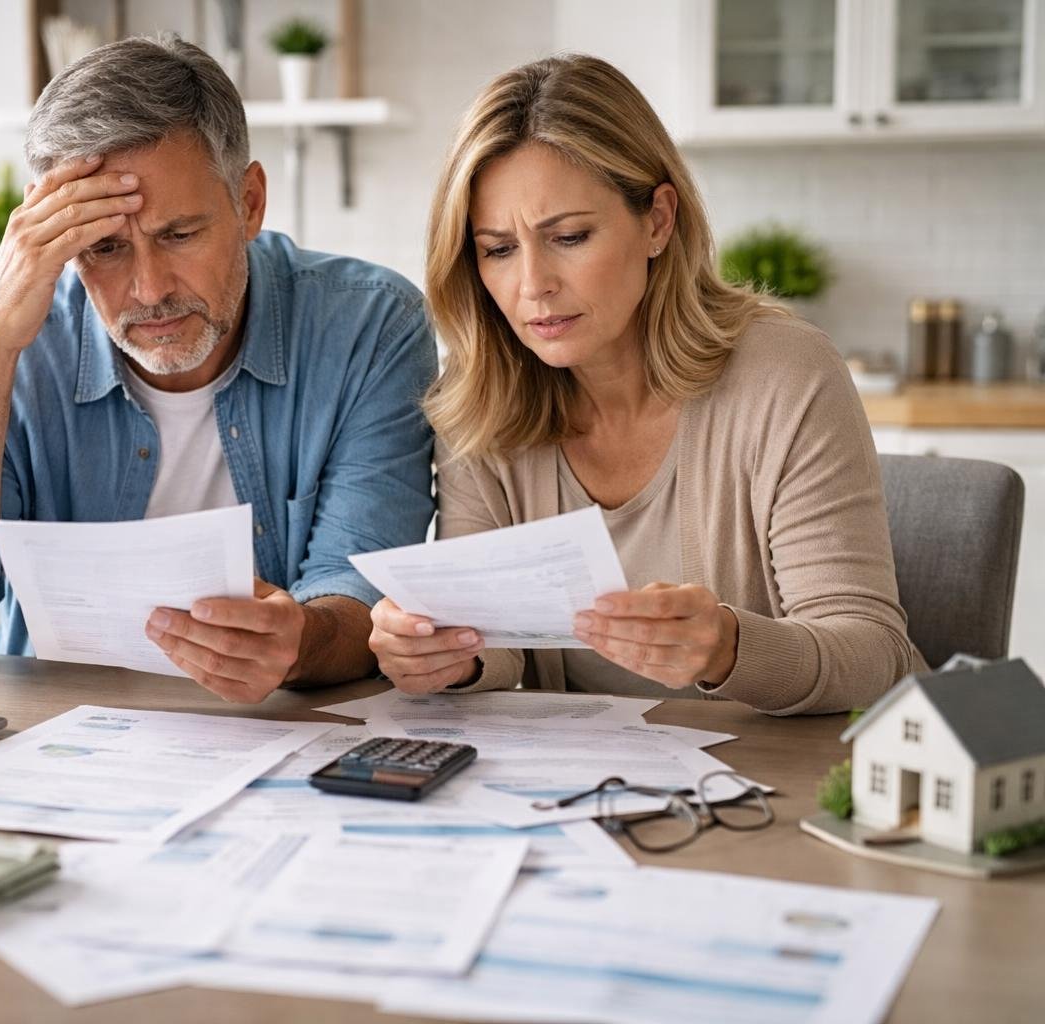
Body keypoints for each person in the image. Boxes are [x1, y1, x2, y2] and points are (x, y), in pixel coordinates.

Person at [0, 36, 436, 703]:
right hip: (59, 750)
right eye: (104, 248)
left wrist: (296, 641)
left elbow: (365, 598)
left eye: (179, 235)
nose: (149, 290)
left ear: (249, 202)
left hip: (279, 743)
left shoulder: (368, 326)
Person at [368, 54, 923, 714]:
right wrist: (441, 655)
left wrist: (728, 647)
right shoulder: (483, 395)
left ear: (658, 220)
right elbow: (494, 645)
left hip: (783, 784)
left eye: (569, 236)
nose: (532, 284)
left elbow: (872, 654)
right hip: (586, 789)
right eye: (498, 249)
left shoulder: (786, 375)